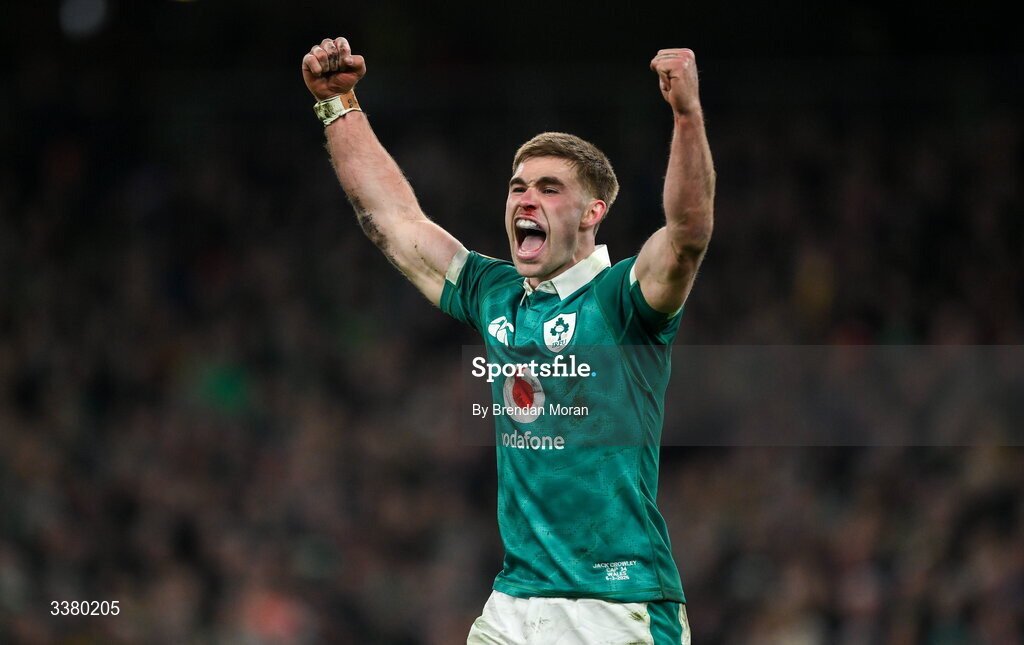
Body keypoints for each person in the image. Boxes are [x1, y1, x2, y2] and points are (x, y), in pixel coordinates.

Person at [302, 36, 714, 645]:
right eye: (519, 186)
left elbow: (687, 234)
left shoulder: (624, 299)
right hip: (513, 606)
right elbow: (393, 221)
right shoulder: (494, 292)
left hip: (617, 606)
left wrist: (686, 114)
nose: (526, 199)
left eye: (549, 188)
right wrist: (339, 105)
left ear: (592, 212)